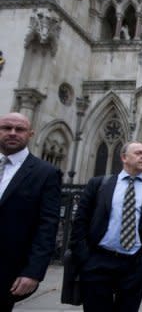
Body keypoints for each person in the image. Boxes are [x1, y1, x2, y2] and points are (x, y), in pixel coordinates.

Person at [70, 141, 142, 312]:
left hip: (135, 263)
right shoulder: (99, 184)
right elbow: (81, 219)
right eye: (138, 153)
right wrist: (84, 255)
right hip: (98, 261)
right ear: (124, 157)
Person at [0, 112, 61, 311]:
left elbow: (47, 226)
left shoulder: (45, 173)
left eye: (19, 129)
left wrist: (33, 272)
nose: (12, 133)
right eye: (6, 128)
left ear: (30, 134)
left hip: (7, 270)